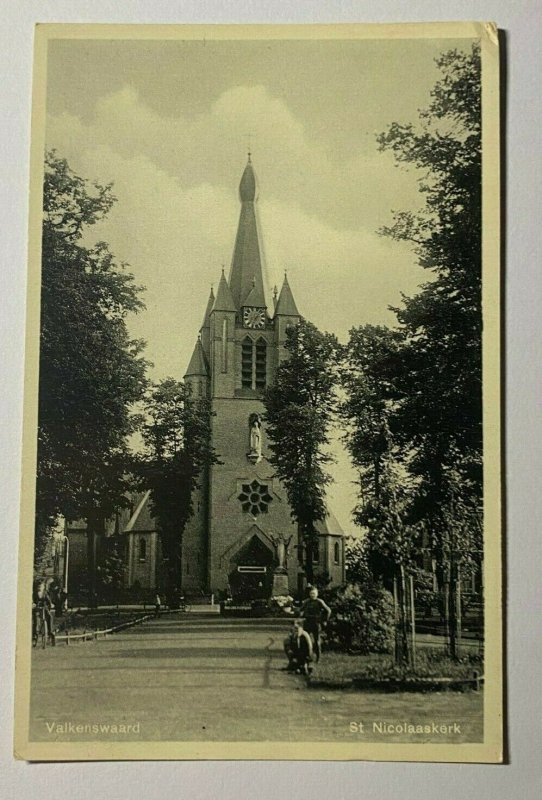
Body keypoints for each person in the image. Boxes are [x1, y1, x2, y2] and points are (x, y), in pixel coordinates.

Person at [301, 586, 331, 662]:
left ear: (317, 594)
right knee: (304, 640)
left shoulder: (319, 602)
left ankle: (318, 658)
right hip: (307, 622)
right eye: (311, 593)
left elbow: (328, 611)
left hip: (316, 623)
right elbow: (300, 609)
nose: (312, 595)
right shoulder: (307, 601)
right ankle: (306, 656)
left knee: (317, 641)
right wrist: (299, 613)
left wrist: (324, 620)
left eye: (314, 593)